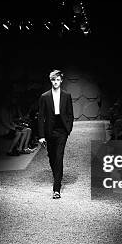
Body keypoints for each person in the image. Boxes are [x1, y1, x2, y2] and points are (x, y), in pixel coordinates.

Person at [38, 70, 74, 199]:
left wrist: (68, 128)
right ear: (51, 81)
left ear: (61, 81)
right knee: (52, 156)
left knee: (59, 156)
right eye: (53, 80)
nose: (56, 82)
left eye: (58, 80)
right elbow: (41, 117)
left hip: (62, 130)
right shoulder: (44, 96)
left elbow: (70, 114)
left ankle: (56, 188)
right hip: (49, 130)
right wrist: (41, 136)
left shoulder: (67, 95)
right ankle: (57, 176)